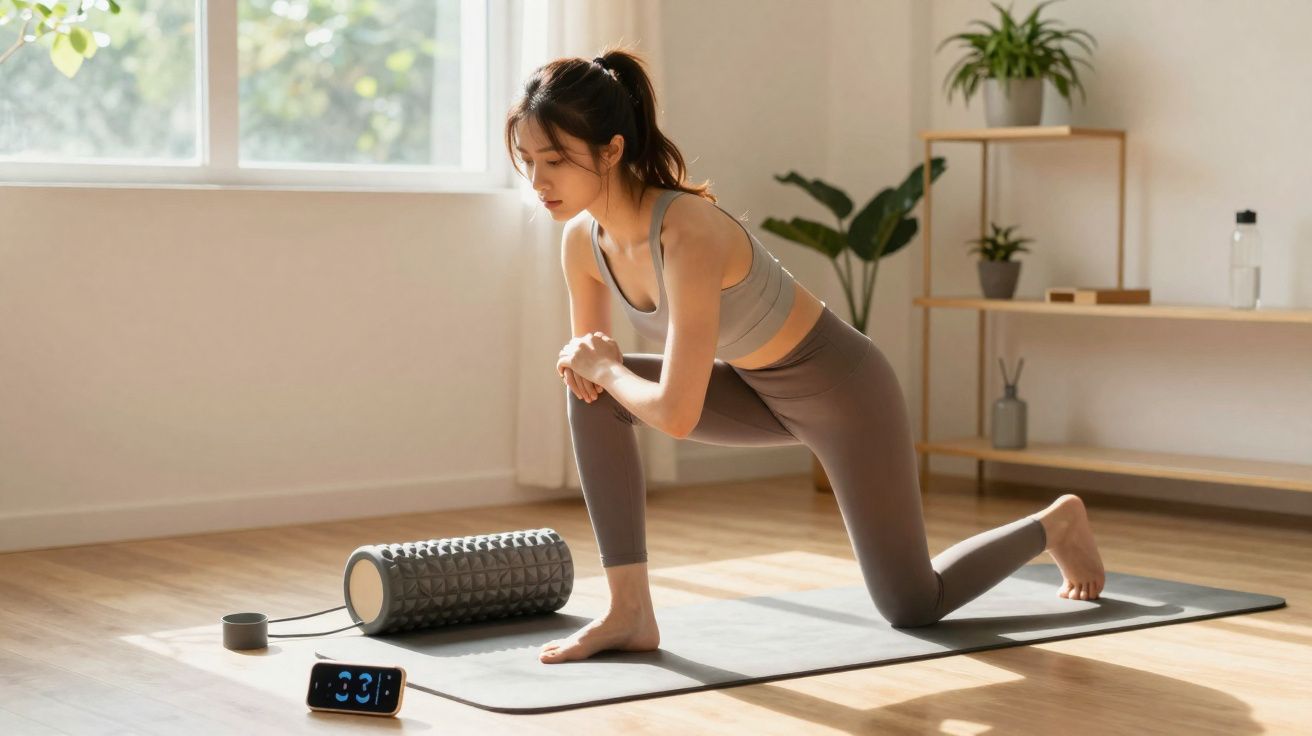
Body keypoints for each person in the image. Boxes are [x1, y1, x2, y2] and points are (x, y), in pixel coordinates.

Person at [505, 45, 1106, 665]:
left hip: (847, 396)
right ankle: (629, 611)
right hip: (754, 392)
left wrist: (602, 365)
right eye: (528, 161)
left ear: (611, 150)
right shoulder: (582, 242)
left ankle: (1055, 523)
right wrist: (595, 370)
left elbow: (673, 412)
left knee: (913, 605)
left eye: (554, 159)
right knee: (593, 394)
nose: (538, 180)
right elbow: (593, 376)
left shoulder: (688, 231)